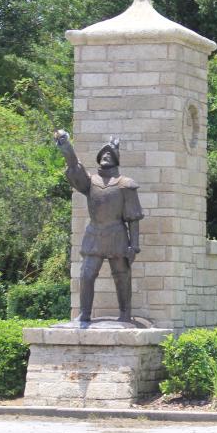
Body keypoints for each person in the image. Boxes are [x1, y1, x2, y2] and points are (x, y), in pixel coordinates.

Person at [54, 130, 144, 323]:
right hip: (94, 234)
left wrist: (134, 246)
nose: (105, 156)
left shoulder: (125, 184)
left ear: (116, 159)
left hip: (117, 236)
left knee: (121, 276)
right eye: (103, 153)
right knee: (86, 274)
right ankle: (84, 314)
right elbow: (74, 167)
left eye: (109, 154)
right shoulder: (91, 182)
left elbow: (133, 218)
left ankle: (125, 314)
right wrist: (66, 147)